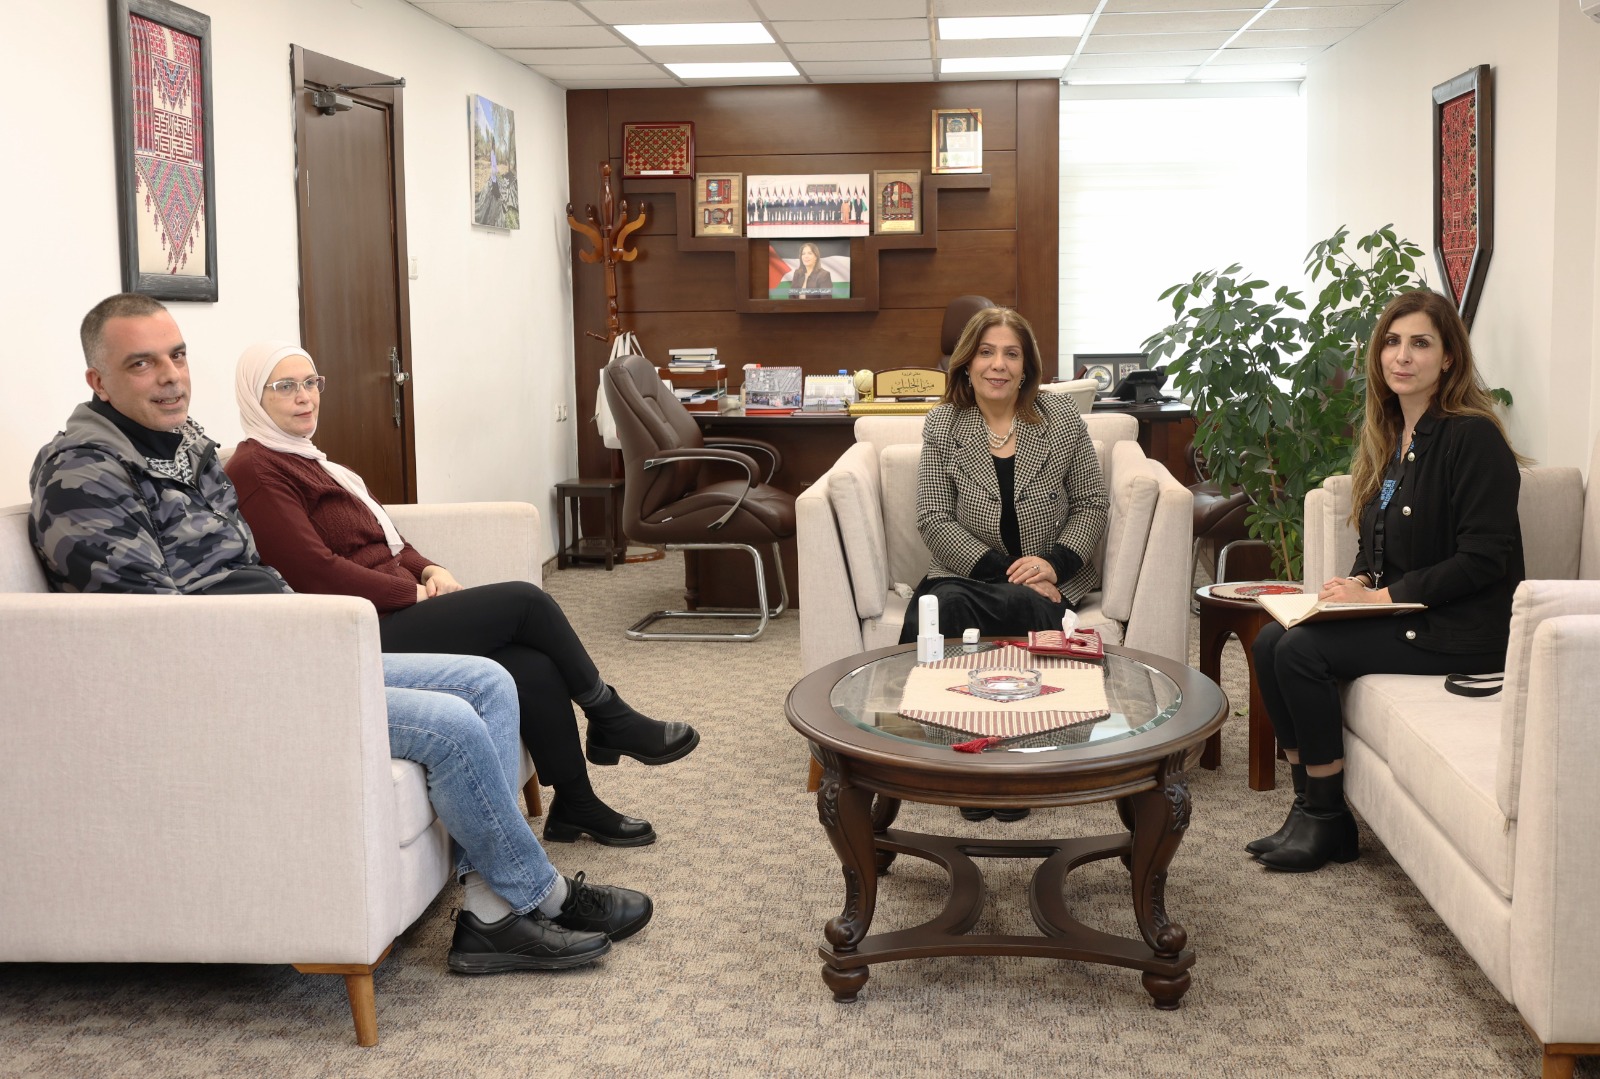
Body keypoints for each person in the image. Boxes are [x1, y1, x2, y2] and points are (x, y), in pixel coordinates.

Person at [29, 292, 650, 972]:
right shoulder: (83, 473)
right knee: (453, 723)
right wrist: (298, 639)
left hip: (290, 647)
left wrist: (306, 631)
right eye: (142, 364)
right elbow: (151, 633)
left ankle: (491, 915)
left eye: (177, 356)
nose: (171, 376)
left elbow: (251, 569)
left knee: (490, 681)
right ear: (98, 380)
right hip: (229, 678)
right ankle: (543, 894)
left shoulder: (192, 450)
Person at [224, 340, 697, 850]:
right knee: (526, 601)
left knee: (531, 664)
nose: (304, 397)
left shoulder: (316, 462)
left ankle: (576, 805)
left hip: (392, 607)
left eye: (311, 382)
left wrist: (431, 568)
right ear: (254, 397)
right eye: (285, 387)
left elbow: (388, 541)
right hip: (360, 627)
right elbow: (315, 572)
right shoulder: (256, 468)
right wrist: (412, 593)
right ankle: (610, 716)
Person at [1248, 289, 1524, 873]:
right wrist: (1352, 585)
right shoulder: (1396, 436)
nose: (1402, 356)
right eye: (1392, 343)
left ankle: (1329, 819)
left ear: (1448, 358)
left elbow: (1484, 559)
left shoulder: (1472, 437)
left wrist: (1379, 597)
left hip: (1464, 628)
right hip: (1408, 612)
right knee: (1271, 640)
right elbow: (1377, 541)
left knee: (1300, 652)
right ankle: (1306, 804)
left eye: (1420, 343)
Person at [899, 306, 1110, 823]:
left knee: (1021, 607)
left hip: (1051, 577)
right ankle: (964, 768)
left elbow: (1091, 504)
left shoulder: (1061, 419)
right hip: (967, 576)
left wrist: (1052, 566)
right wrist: (1012, 573)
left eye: (1011, 354)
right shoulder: (944, 423)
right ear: (966, 364)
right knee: (943, 606)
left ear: (1027, 366)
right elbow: (933, 517)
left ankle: (1020, 765)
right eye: (986, 353)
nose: (998, 365)